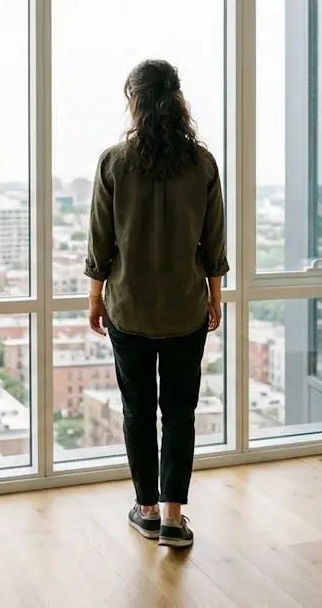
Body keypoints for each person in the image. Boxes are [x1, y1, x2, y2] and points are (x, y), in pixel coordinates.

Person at [84, 58, 229, 550]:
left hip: (129, 308)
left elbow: (100, 241)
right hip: (185, 309)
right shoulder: (203, 164)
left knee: (138, 411)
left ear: (135, 102)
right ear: (178, 100)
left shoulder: (113, 162)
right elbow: (213, 242)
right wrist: (215, 296)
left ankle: (145, 510)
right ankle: (173, 517)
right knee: (181, 412)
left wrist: (95, 298)